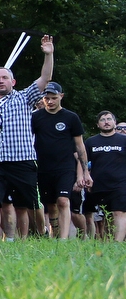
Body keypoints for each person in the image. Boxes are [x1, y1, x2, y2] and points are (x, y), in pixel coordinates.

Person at [0, 36, 54, 239]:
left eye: (4, 78)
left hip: (21, 159)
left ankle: (39, 234)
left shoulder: (24, 97)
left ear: (12, 81)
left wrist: (48, 54)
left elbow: (45, 79)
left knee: (29, 203)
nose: (1, 81)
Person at [31, 82, 90, 240]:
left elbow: (80, 146)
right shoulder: (35, 117)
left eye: (53, 98)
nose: (50, 101)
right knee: (50, 205)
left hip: (65, 167)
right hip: (43, 167)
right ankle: (54, 233)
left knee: (63, 201)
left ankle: (64, 239)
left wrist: (85, 172)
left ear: (61, 97)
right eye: (47, 98)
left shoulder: (71, 117)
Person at [84, 111, 126, 241]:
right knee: (107, 217)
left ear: (114, 122)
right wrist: (86, 177)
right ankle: (109, 242)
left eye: (109, 119)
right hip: (99, 185)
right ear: (97, 124)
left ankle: (117, 243)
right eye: (102, 120)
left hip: (121, 183)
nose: (106, 122)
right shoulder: (91, 142)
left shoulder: (124, 140)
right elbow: (83, 162)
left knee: (119, 212)